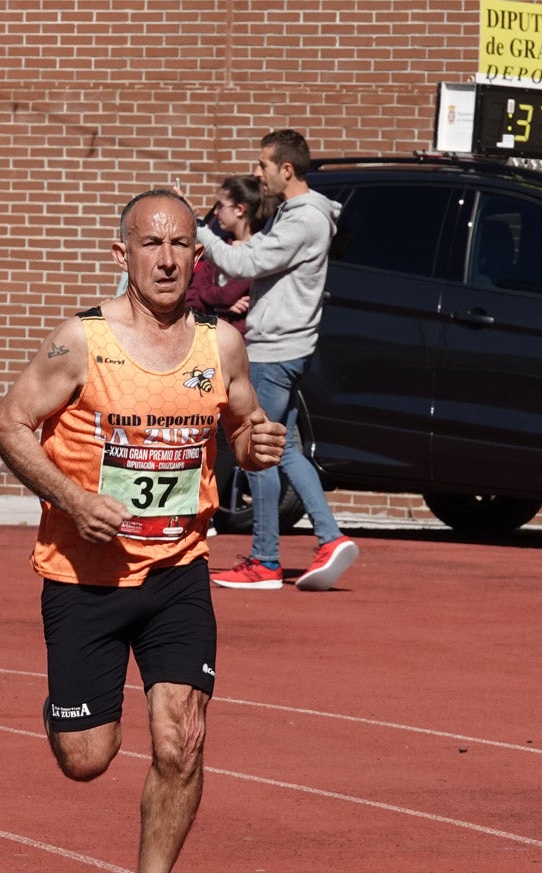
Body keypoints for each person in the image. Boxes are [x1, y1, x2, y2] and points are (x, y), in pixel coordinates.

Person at [0, 189, 285, 873]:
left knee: (182, 738)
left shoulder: (220, 345)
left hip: (178, 573)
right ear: (122, 254)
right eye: (150, 244)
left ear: (198, 255)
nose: (165, 258)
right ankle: (69, 709)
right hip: (84, 575)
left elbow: (245, 431)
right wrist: (72, 497)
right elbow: (8, 424)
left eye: (181, 244)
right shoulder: (82, 342)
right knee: (86, 758)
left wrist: (257, 448)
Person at [196, 130, 359, 591]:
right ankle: (329, 538)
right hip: (282, 348)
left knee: (258, 453)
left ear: (286, 169)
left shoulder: (303, 220)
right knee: (284, 448)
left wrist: (201, 233)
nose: (257, 172)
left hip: (273, 351)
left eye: (263, 164)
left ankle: (265, 560)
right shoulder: (295, 215)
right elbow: (247, 255)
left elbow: (246, 264)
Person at [186, 174, 274, 338]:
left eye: (221, 205)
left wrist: (209, 297)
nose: (216, 211)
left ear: (240, 210)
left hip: (242, 342)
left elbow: (229, 294)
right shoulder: (222, 248)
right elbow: (191, 298)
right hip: (213, 340)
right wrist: (221, 306)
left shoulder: (259, 252)